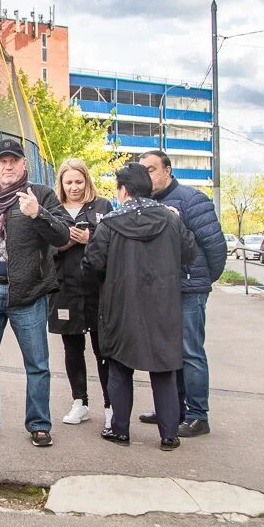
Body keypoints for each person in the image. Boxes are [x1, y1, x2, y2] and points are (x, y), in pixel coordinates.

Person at [0, 138, 70, 447]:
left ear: (24, 164)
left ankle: (38, 424)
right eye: (1, 161)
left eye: (14, 160)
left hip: (29, 292)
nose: (8, 166)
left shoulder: (43, 195)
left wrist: (38, 214)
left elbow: (62, 235)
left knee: (37, 364)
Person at [81, 162, 196, 451]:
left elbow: (92, 264)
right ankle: (169, 435)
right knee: (164, 369)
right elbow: (189, 251)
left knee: (120, 367)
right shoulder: (171, 219)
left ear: (123, 190)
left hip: (122, 305)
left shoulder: (109, 223)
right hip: (164, 305)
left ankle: (120, 429)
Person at [137, 150, 227, 437]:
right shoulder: (145, 204)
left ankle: (198, 415)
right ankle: (172, 410)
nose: (147, 176)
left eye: (151, 169)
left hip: (188, 291)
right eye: (143, 171)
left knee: (190, 352)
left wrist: (200, 280)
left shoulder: (192, 200)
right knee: (166, 352)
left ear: (167, 170)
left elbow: (215, 248)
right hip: (158, 292)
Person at [47, 158, 114, 427]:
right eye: (68, 182)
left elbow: (115, 243)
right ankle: (80, 402)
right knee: (72, 346)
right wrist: (62, 245)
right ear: (61, 184)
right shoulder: (53, 209)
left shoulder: (102, 207)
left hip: (97, 288)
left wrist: (90, 238)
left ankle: (112, 404)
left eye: (78, 181)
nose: (74, 187)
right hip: (65, 289)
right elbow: (44, 247)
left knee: (103, 349)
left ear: (87, 181)